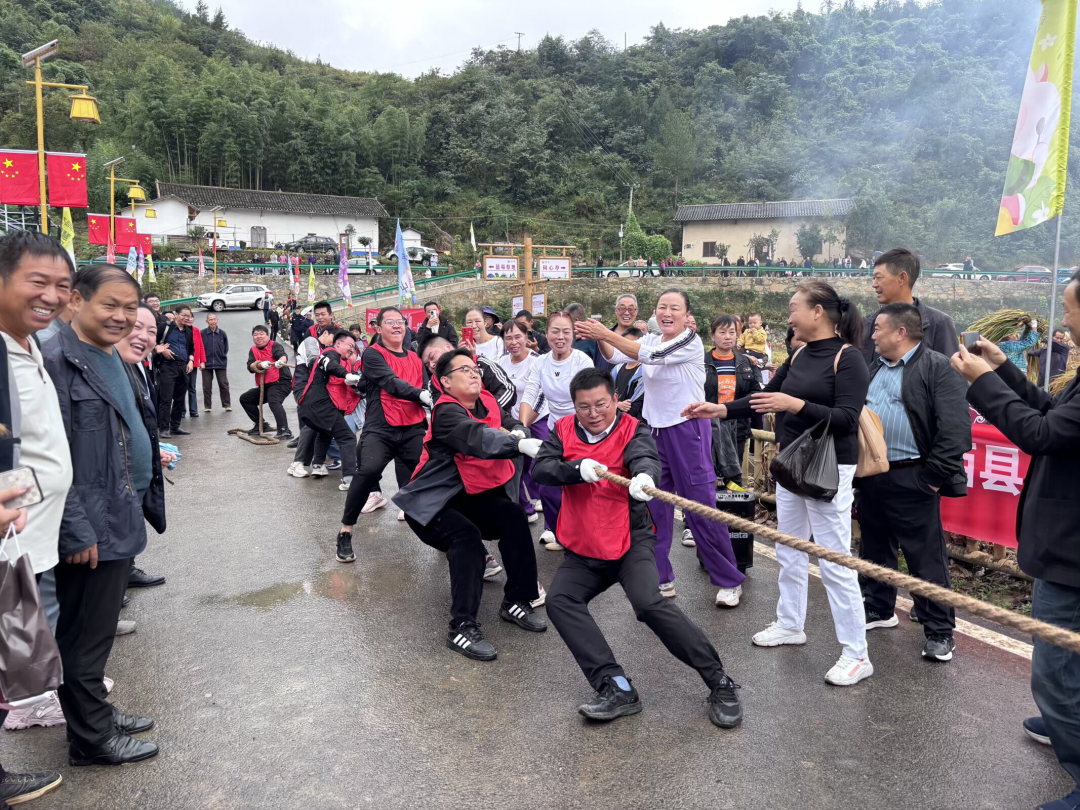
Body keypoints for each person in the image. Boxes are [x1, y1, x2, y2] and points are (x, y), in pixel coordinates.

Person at [683, 281, 872, 685]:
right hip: (792, 465)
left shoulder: (849, 358)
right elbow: (764, 396)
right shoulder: (799, 354)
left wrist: (795, 404)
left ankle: (856, 653)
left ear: (818, 312)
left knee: (834, 558)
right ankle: (790, 623)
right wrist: (720, 409)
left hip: (828, 468)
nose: (789, 317)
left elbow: (847, 418)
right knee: (789, 547)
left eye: (793, 308)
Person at [535, 368, 743, 728]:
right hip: (584, 548)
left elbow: (646, 457)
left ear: (615, 400)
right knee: (560, 602)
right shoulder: (563, 429)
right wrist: (575, 469)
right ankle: (615, 686)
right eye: (584, 407)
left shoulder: (634, 428)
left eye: (601, 404)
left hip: (629, 542)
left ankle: (719, 681)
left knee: (648, 603)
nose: (593, 413)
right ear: (574, 406)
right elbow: (542, 469)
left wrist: (645, 477)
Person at [952, 271, 1080, 810]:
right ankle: (1064, 718)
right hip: (1067, 545)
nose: (1065, 321)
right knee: (1065, 664)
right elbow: (1053, 414)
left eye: (1070, 309)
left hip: (1071, 553)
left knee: (1054, 672)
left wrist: (983, 383)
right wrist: (1004, 370)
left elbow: (1040, 434)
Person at [42, 265, 162, 766]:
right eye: (109, 305)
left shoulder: (112, 353)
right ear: (76, 301)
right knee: (84, 638)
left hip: (118, 510)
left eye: (130, 308)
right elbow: (50, 456)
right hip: (90, 524)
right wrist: (75, 529)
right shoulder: (57, 360)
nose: (121, 317)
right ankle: (90, 740)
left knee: (96, 631)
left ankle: (96, 715)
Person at [575, 291, 746, 606]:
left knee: (700, 507)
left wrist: (605, 333)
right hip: (655, 432)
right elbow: (614, 356)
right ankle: (662, 577)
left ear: (686, 315)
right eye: (662, 307)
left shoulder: (688, 341)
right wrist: (598, 335)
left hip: (687, 429)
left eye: (674, 308)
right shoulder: (651, 339)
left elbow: (650, 356)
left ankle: (729, 580)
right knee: (654, 508)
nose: (667, 312)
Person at [394, 349, 544, 660]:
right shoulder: (446, 412)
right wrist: (518, 442)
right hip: (431, 505)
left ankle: (517, 601)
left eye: (474, 368)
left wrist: (520, 430)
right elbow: (479, 437)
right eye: (463, 370)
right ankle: (461, 627)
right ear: (446, 382)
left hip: (469, 497)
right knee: (466, 539)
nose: (474, 372)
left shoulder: (487, 401)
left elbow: (509, 421)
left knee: (514, 517)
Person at [0, 232, 78, 754]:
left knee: (26, 628)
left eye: (62, 285)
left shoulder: (29, 346)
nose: (51, 296)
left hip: (35, 529)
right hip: (12, 531)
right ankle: (26, 704)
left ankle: (30, 697)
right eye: (38, 282)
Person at [857, 303, 970, 662]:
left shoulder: (937, 367)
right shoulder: (874, 366)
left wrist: (931, 479)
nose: (872, 335)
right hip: (873, 474)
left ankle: (939, 631)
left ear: (900, 332)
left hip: (915, 475)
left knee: (925, 557)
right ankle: (878, 607)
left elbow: (955, 429)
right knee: (874, 547)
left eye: (878, 328)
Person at [337, 308, 432, 561]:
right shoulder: (372, 353)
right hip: (381, 428)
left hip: (412, 427)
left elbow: (426, 386)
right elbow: (390, 382)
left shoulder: (415, 358)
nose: (397, 325)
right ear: (378, 328)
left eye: (400, 321)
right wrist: (420, 394)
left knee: (432, 476)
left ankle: (458, 540)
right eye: (390, 322)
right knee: (367, 472)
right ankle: (345, 531)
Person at [519, 312, 595, 550]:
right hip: (555, 431)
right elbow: (531, 393)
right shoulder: (540, 362)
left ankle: (582, 535)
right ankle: (557, 530)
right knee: (547, 482)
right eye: (555, 331)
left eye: (566, 332)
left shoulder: (582, 361)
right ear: (547, 333)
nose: (560, 337)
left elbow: (589, 400)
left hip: (583, 431)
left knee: (580, 486)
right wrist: (521, 427)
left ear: (573, 335)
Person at [117, 304, 171, 595]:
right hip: (119, 477)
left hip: (137, 471)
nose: (144, 336)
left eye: (152, 331)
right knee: (120, 530)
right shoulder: (113, 364)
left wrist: (152, 450)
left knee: (132, 525)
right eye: (136, 326)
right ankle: (114, 587)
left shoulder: (136, 361)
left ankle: (125, 573)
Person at [863, 248, 958, 364]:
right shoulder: (867, 325)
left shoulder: (939, 324)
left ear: (902, 278)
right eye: (873, 278)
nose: (874, 284)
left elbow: (951, 371)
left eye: (879, 278)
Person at [703, 314, 762, 488]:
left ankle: (730, 503)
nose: (728, 337)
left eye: (732, 332)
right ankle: (707, 504)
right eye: (722, 332)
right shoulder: (702, 363)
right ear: (712, 335)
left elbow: (755, 392)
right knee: (707, 472)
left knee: (733, 475)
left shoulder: (745, 363)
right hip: (707, 427)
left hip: (737, 426)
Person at [296, 329, 359, 489]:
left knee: (324, 433)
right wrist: (346, 375)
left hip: (315, 408)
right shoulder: (330, 353)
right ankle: (349, 478)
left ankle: (318, 465)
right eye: (350, 346)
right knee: (348, 438)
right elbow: (330, 365)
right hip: (319, 406)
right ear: (338, 343)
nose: (352, 350)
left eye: (354, 348)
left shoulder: (345, 364)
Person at [497, 321, 544, 524]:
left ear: (526, 337)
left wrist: (525, 424)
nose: (514, 342)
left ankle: (543, 500)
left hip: (538, 418)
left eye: (518, 337)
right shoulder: (500, 362)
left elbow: (542, 396)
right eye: (508, 338)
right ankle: (526, 508)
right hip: (512, 422)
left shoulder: (537, 361)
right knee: (514, 465)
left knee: (539, 463)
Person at [240, 325, 293, 439]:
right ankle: (261, 425)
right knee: (245, 399)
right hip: (265, 385)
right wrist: (260, 365)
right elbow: (250, 366)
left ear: (267, 336)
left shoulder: (275, 345)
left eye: (261, 334)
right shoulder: (253, 350)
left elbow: (283, 356)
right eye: (255, 335)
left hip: (281, 382)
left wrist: (280, 362)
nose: (258, 337)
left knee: (274, 400)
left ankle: (284, 430)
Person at [153, 305, 194, 438]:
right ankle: (164, 428)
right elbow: (152, 341)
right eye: (183, 315)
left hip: (183, 367)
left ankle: (175, 426)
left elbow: (191, 349)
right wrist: (161, 350)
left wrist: (191, 361)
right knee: (166, 399)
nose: (186, 318)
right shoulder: (164, 327)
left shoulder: (188, 331)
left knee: (180, 399)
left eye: (188, 316)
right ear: (176, 315)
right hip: (168, 366)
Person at [610, 327, 646, 423]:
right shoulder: (616, 369)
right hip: (614, 420)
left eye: (633, 344)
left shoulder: (644, 371)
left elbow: (635, 405)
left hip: (636, 422)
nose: (629, 347)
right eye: (625, 343)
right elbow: (607, 394)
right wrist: (617, 404)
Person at [200, 313, 231, 412]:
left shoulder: (222, 333)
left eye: (214, 319)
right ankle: (207, 406)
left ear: (217, 320)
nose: (213, 321)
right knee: (206, 386)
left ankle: (227, 405)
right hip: (206, 363)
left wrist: (222, 356)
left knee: (223, 384)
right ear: (207, 321)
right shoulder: (202, 333)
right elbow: (199, 348)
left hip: (220, 362)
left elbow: (226, 348)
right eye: (210, 319)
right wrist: (201, 361)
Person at [184, 315, 206, 419]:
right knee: (181, 388)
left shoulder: (196, 330)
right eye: (187, 317)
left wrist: (203, 361)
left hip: (194, 363)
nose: (189, 319)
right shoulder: (180, 330)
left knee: (192, 387)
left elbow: (201, 346)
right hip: (182, 363)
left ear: (193, 318)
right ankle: (181, 411)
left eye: (191, 317)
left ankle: (193, 411)